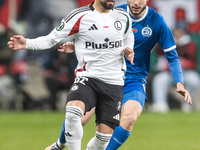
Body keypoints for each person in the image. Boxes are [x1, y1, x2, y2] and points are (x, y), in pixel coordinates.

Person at [45, 0, 192, 150]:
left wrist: (179, 82)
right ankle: (60, 144)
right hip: (104, 75)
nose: (135, 3)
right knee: (79, 118)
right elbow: (90, 34)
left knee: (129, 119)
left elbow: (172, 56)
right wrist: (76, 44)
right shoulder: (113, 13)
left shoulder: (157, 21)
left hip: (134, 80)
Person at [7, 0, 134, 150]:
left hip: (113, 82)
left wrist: (128, 49)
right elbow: (51, 39)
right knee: (73, 112)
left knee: (102, 140)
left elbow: (128, 37)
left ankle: (64, 145)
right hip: (88, 77)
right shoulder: (79, 16)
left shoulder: (123, 16)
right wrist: (27, 43)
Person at [151, 22, 199, 113]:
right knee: (159, 79)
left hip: (185, 73)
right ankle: (160, 104)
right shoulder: (166, 41)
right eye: (176, 30)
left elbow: (192, 62)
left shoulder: (190, 43)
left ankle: (187, 105)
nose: (178, 33)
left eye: (180, 31)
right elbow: (160, 57)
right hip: (169, 73)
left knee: (194, 80)